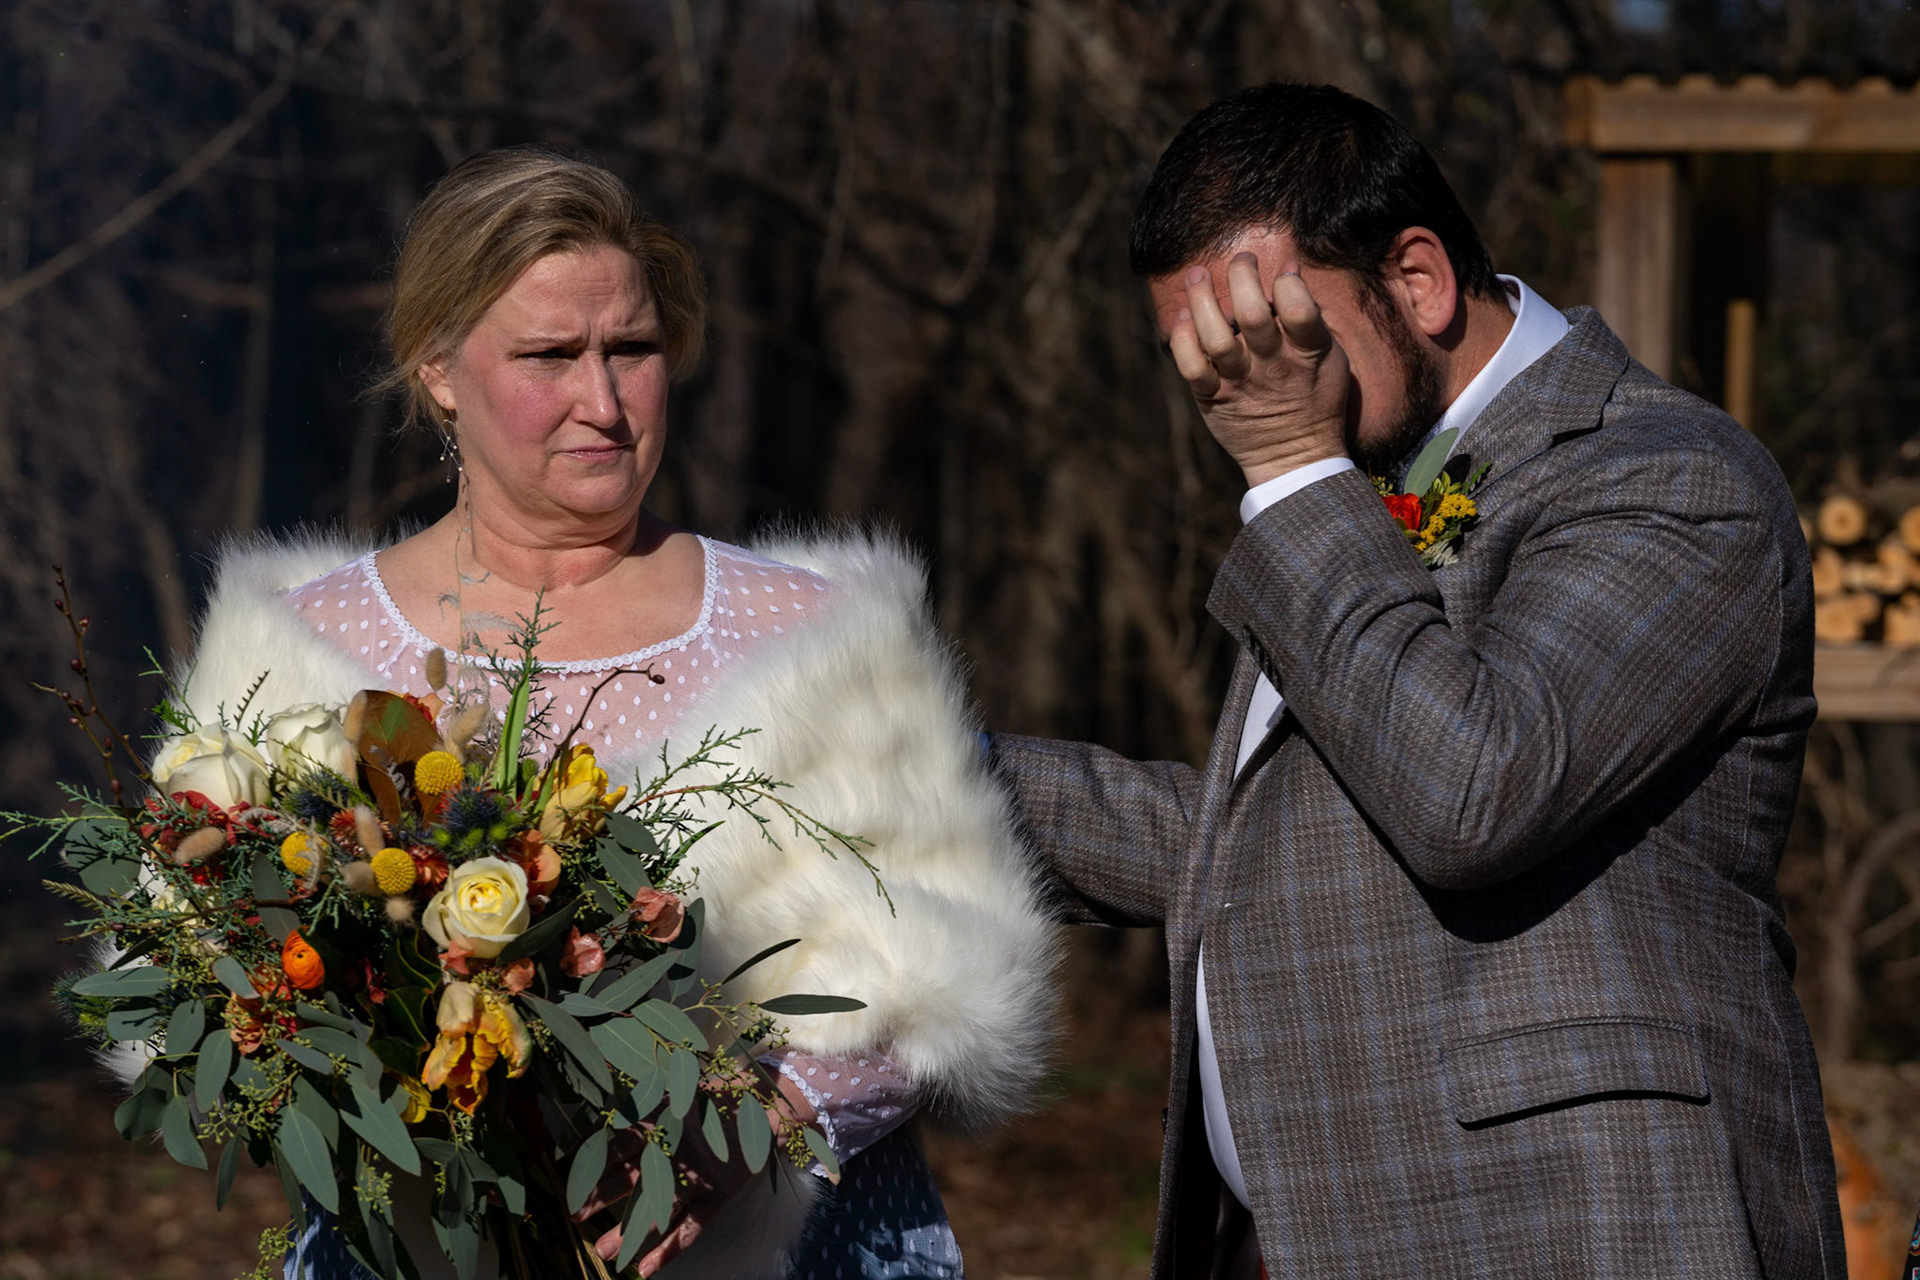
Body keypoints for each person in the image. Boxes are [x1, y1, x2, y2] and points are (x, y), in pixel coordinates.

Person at [987, 83, 1844, 1278]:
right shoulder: (1365, 477)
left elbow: (1473, 789)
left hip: (1567, 1234)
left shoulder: (1671, 476)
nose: (1236, 389)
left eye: (1266, 329)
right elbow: (1266, 838)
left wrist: (1292, 469)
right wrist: (926, 776)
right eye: (1204, 356)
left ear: (1420, 280)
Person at [164, 147, 1057, 1279]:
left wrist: (750, 1128)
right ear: (438, 365)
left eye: (631, 349)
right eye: (551, 354)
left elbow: (961, 977)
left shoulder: (827, 635)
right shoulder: (292, 652)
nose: (604, 400)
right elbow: (195, 992)